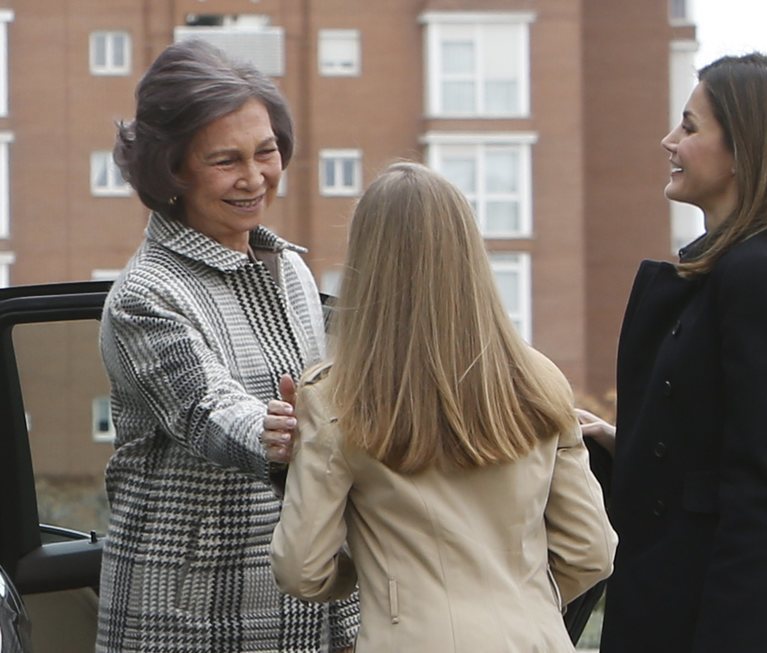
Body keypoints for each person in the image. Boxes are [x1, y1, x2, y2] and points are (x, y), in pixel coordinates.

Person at [267, 161, 617, 652]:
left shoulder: (337, 396)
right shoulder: (540, 380)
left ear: (366, 258)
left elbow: (301, 569)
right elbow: (592, 552)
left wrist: (372, 578)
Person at [587, 53, 767, 652]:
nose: (669, 141)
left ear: (746, 149)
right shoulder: (743, 270)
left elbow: (764, 499)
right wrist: (625, 442)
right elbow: (725, 453)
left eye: (690, 127)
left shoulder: (759, 275)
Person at [97, 39, 358, 652]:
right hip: (186, 615)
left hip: (307, 599)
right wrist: (281, 434)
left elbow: (338, 396)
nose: (254, 177)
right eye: (225, 161)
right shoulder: (146, 294)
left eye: (266, 151)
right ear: (171, 170)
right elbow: (209, 412)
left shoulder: (288, 268)